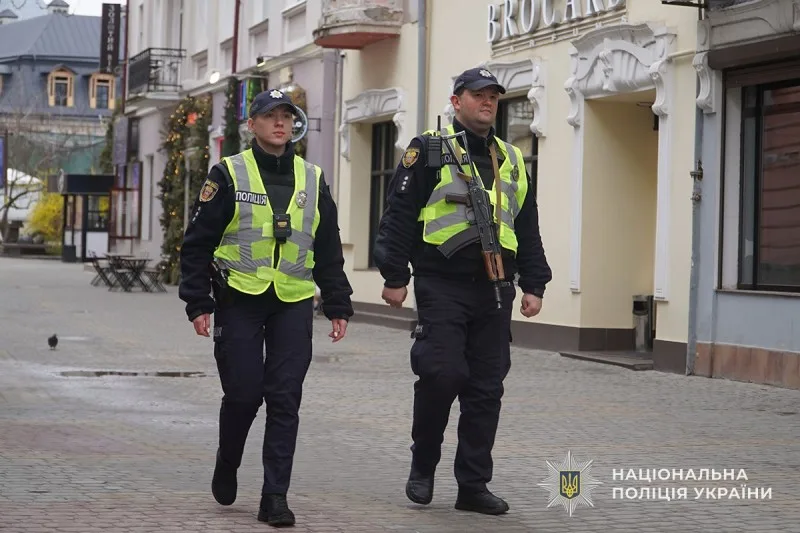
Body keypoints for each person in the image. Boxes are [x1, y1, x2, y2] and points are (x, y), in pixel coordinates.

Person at [373, 67, 552, 515]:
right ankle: (423, 464)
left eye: (493, 96)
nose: (487, 102)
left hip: (495, 289)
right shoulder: (429, 150)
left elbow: (525, 226)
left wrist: (535, 283)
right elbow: (398, 213)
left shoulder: (510, 158)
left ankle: (472, 485)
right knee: (442, 373)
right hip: (442, 282)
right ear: (457, 101)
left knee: (486, 389)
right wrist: (395, 276)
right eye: (478, 95)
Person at [178, 88, 354, 527]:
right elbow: (197, 244)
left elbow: (328, 246)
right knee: (243, 393)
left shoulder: (313, 178)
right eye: (270, 116)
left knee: (284, 399)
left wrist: (338, 302)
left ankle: (274, 497)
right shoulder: (229, 174)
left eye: (287, 116)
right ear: (251, 125)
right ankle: (228, 459)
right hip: (239, 298)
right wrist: (198, 301)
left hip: (293, 302)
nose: (280, 123)